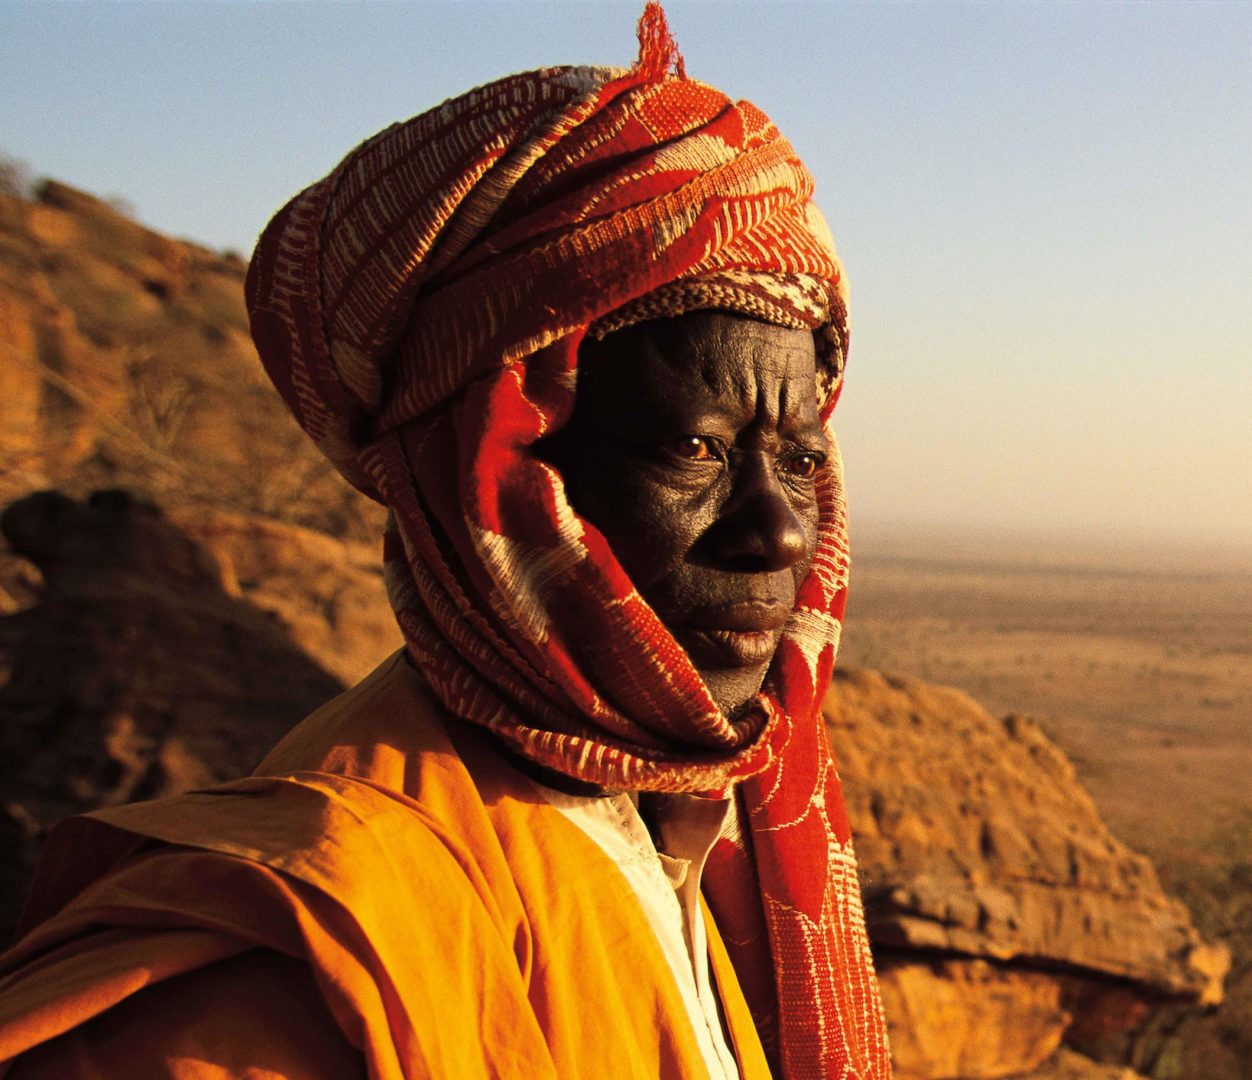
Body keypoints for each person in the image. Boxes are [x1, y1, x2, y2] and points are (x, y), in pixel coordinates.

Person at [0, 6, 890, 1077]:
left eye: (798, 457)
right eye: (696, 449)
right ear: (497, 477)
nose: (780, 530)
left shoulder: (709, 827)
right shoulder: (296, 969)